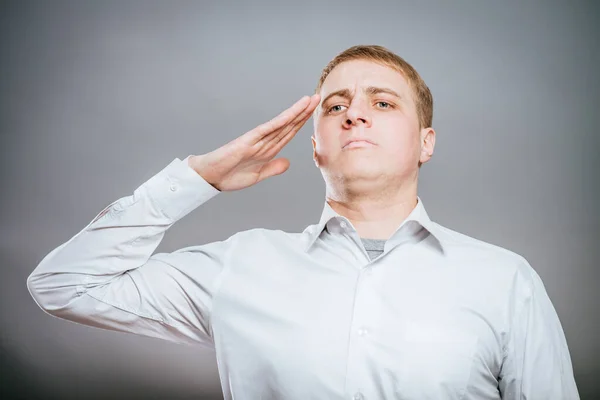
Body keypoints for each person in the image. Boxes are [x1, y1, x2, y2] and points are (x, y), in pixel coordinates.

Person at [27, 45, 579, 400]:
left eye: (383, 103)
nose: (355, 112)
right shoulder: (238, 267)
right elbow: (62, 286)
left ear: (425, 143)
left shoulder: (506, 280)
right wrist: (197, 177)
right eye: (335, 106)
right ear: (316, 147)